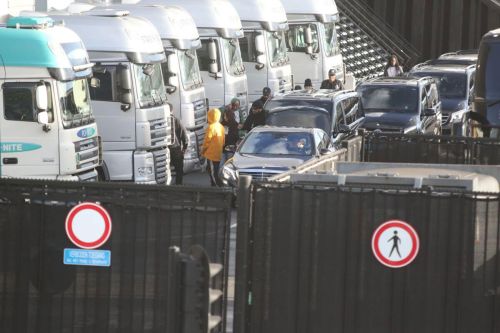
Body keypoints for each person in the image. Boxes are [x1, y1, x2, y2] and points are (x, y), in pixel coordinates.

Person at [201, 108, 225, 187]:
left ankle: (219, 188)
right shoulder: (221, 127)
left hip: (211, 154)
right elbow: (223, 141)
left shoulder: (210, 127)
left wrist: (202, 151)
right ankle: (214, 186)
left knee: (213, 172)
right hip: (218, 152)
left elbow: (206, 141)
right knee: (215, 170)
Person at [168, 115, 189, 185]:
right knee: (179, 170)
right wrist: (184, 148)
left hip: (164, 148)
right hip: (175, 148)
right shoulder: (176, 120)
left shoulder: (160, 119)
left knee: (165, 170)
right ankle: (178, 186)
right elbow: (184, 133)